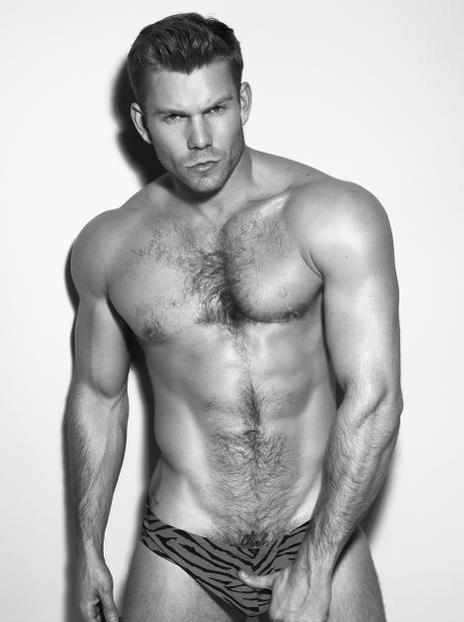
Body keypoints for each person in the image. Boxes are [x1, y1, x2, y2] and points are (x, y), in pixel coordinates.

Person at [66, 12, 402, 622]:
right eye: (174, 117)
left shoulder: (333, 214)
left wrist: (317, 564)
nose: (201, 138)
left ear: (243, 101)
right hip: (183, 545)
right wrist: (88, 547)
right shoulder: (110, 247)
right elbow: (99, 397)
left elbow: (375, 397)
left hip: (317, 529)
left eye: (216, 109)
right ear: (142, 123)